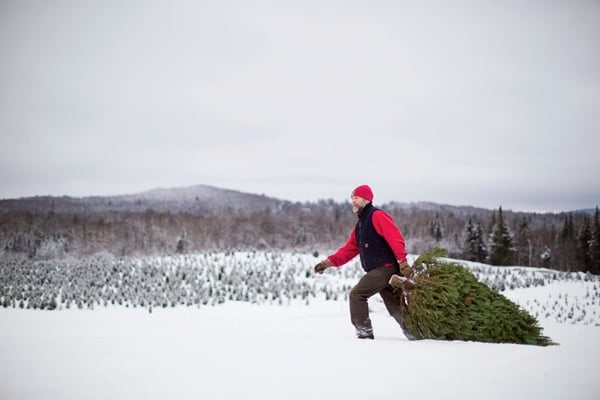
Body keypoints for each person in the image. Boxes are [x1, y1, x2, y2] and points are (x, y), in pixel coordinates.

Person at [314, 184, 412, 339]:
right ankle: (414, 332)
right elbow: (349, 249)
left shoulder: (377, 216)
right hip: (380, 270)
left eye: (356, 198)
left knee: (357, 295)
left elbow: (395, 238)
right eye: (352, 198)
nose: (353, 201)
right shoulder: (360, 225)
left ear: (366, 199)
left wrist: (403, 262)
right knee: (395, 307)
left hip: (385, 268)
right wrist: (328, 262)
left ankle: (364, 333)